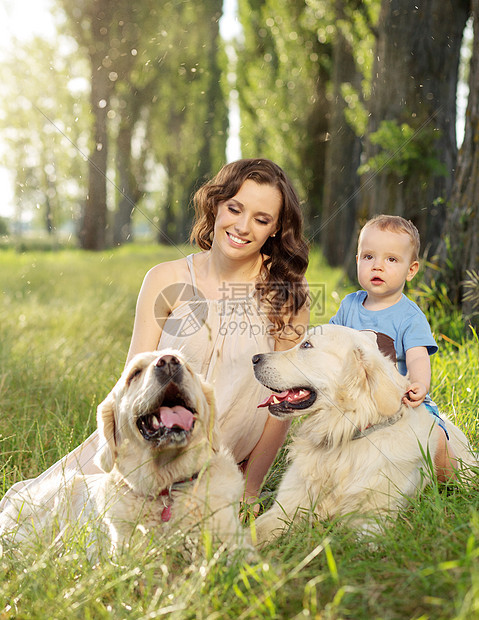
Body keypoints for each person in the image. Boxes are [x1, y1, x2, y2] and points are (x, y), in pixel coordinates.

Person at [0, 158, 310, 512]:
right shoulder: (165, 279)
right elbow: (130, 386)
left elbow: (280, 408)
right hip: (147, 450)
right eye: (234, 208)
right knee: (35, 514)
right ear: (216, 205)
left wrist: (250, 488)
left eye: (261, 219)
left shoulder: (289, 294)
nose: (242, 226)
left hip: (220, 466)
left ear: (275, 229)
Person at [330, 214, 456, 482]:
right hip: (356, 400)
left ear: (411, 270)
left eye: (391, 259)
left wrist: (419, 385)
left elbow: (418, 357)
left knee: (435, 439)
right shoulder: (349, 305)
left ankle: (452, 475)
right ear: (357, 261)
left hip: (400, 399)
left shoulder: (409, 316)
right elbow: (330, 342)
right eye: (368, 257)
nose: (377, 266)